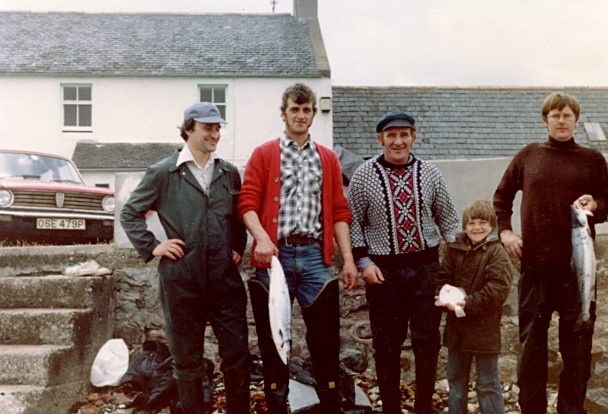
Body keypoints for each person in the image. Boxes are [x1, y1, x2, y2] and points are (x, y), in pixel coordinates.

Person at [120, 102, 250, 414]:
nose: (215, 133)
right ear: (188, 129)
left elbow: (238, 218)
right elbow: (130, 212)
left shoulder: (229, 173)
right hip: (182, 280)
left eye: (218, 127)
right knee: (187, 361)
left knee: (236, 356)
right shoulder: (164, 172)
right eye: (208, 127)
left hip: (224, 280)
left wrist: (236, 247)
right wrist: (154, 246)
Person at [237, 82, 358, 413]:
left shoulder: (328, 158)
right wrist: (261, 238)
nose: (301, 115)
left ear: (313, 114)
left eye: (307, 110)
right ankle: (278, 406)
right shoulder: (265, 154)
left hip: (315, 258)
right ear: (283, 113)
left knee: (325, 341)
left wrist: (347, 258)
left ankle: (328, 404)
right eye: (295, 109)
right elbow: (247, 202)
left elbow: (339, 211)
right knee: (274, 341)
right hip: (275, 259)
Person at [493, 92, 608, 414]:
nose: (561, 120)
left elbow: (607, 201)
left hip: (578, 273)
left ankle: (571, 409)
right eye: (555, 115)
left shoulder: (592, 160)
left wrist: (595, 205)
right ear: (545, 120)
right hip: (536, 269)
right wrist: (505, 231)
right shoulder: (529, 155)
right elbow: (502, 197)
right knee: (531, 349)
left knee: (578, 348)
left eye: (567, 115)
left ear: (576, 119)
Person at [348, 110, 460, 414]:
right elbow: (353, 223)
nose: (398, 142)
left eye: (404, 135)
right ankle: (392, 409)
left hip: (426, 271)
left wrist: (462, 256)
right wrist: (364, 263)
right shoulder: (364, 175)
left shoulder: (430, 173)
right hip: (384, 274)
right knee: (386, 345)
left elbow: (448, 219)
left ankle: (424, 406)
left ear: (413, 137)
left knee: (427, 342)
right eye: (391, 135)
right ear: (380, 138)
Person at [436, 199, 515, 414]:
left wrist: (467, 302)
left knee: (488, 384)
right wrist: (445, 296)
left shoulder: (496, 251)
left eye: (482, 223)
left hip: (484, 331)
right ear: (464, 226)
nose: (476, 228)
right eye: (471, 223)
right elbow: (442, 278)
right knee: (455, 382)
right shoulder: (454, 250)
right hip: (457, 329)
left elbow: (498, 289)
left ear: (492, 226)